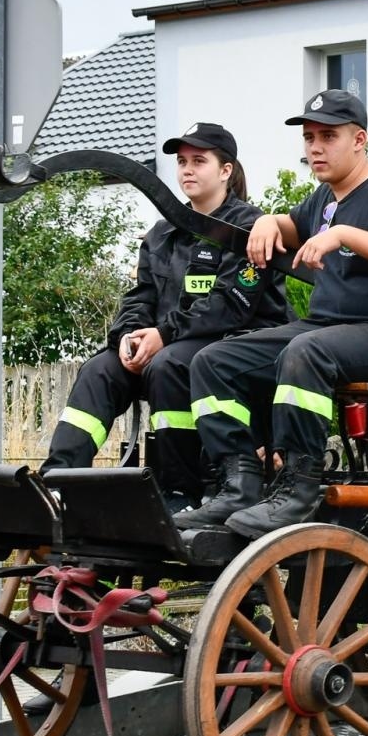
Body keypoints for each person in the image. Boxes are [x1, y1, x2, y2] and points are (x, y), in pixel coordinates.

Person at [174, 89, 368, 538]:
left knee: (305, 351)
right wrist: (267, 222)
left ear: (360, 140)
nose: (314, 147)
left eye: (327, 136)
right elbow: (289, 227)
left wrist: (346, 235)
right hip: (324, 330)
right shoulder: (323, 199)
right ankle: (239, 485)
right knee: (213, 360)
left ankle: (299, 487)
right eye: (309, 137)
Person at [41, 122, 289, 512]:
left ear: (226, 170)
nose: (187, 170)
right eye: (182, 162)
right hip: (171, 342)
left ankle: (180, 493)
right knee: (100, 369)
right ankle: (56, 483)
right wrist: (127, 335)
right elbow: (140, 296)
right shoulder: (161, 233)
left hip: (235, 347)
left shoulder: (248, 228)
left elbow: (230, 306)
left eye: (199, 161)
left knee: (169, 366)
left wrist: (163, 335)